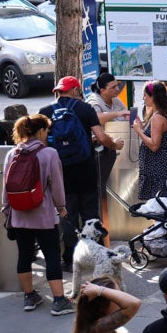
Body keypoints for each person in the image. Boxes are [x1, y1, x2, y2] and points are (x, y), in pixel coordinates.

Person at [40, 76, 123, 269]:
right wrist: (114, 145)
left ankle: (69, 257)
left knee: (67, 212)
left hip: (60, 170)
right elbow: (101, 137)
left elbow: (42, 143)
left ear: (58, 91)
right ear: (76, 91)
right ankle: (95, 254)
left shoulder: (45, 112)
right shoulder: (85, 109)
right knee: (89, 212)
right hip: (85, 168)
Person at [2, 114, 73, 315]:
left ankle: (29, 296)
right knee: (51, 255)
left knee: (24, 254)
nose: (48, 134)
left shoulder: (12, 153)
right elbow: (57, 185)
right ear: (41, 131)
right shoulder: (49, 153)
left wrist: (6, 209)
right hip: (43, 215)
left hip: (19, 214)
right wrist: (61, 206)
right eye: (47, 130)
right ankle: (59, 300)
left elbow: (6, 187)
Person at [85, 73, 130, 213]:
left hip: (120, 146)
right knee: (102, 186)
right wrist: (117, 114)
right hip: (100, 148)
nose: (117, 89)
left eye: (118, 85)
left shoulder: (115, 100)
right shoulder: (93, 101)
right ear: (102, 90)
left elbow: (126, 115)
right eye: (113, 87)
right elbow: (96, 118)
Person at [132, 81, 167, 200]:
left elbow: (154, 145)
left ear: (153, 97)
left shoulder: (157, 117)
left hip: (159, 167)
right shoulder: (159, 114)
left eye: (145, 95)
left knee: (159, 205)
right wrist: (142, 127)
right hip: (158, 166)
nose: (143, 98)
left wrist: (139, 131)